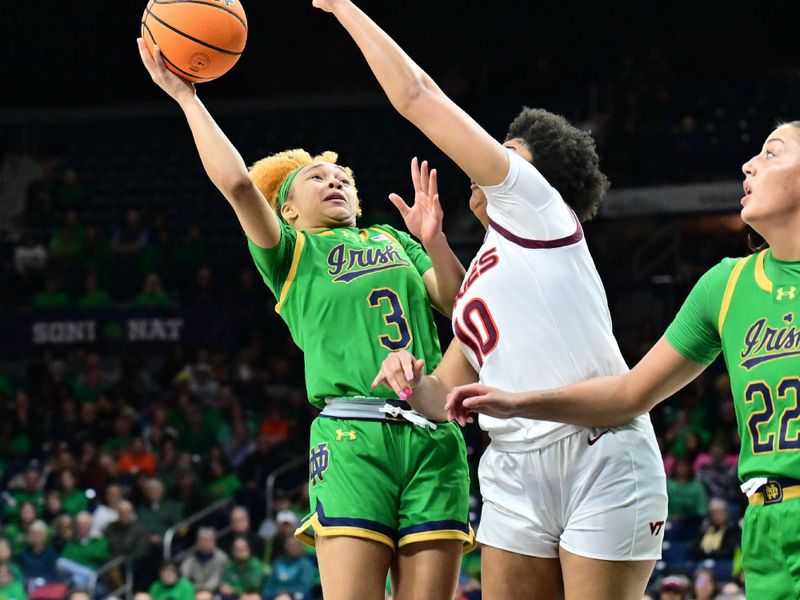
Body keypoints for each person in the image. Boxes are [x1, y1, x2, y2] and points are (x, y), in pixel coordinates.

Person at [314, 1, 667, 598]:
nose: (490, 163)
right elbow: (442, 396)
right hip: (512, 466)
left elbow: (416, 97)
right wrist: (408, 380)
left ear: (539, 180)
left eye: (508, 154)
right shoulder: (486, 268)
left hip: (597, 449)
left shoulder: (539, 210)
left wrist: (346, 8)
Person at [137, 34, 472, 600]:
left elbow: (460, 303)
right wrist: (186, 97)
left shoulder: (395, 239)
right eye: (315, 178)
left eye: (342, 178)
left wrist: (436, 242)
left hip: (435, 432)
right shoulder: (290, 253)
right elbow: (240, 185)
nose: (334, 180)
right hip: (352, 433)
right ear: (288, 209)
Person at [445, 123, 800, 599]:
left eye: (772, 153)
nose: (749, 163)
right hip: (766, 521)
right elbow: (629, 394)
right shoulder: (727, 285)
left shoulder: (544, 222)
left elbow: (418, 95)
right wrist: (516, 402)